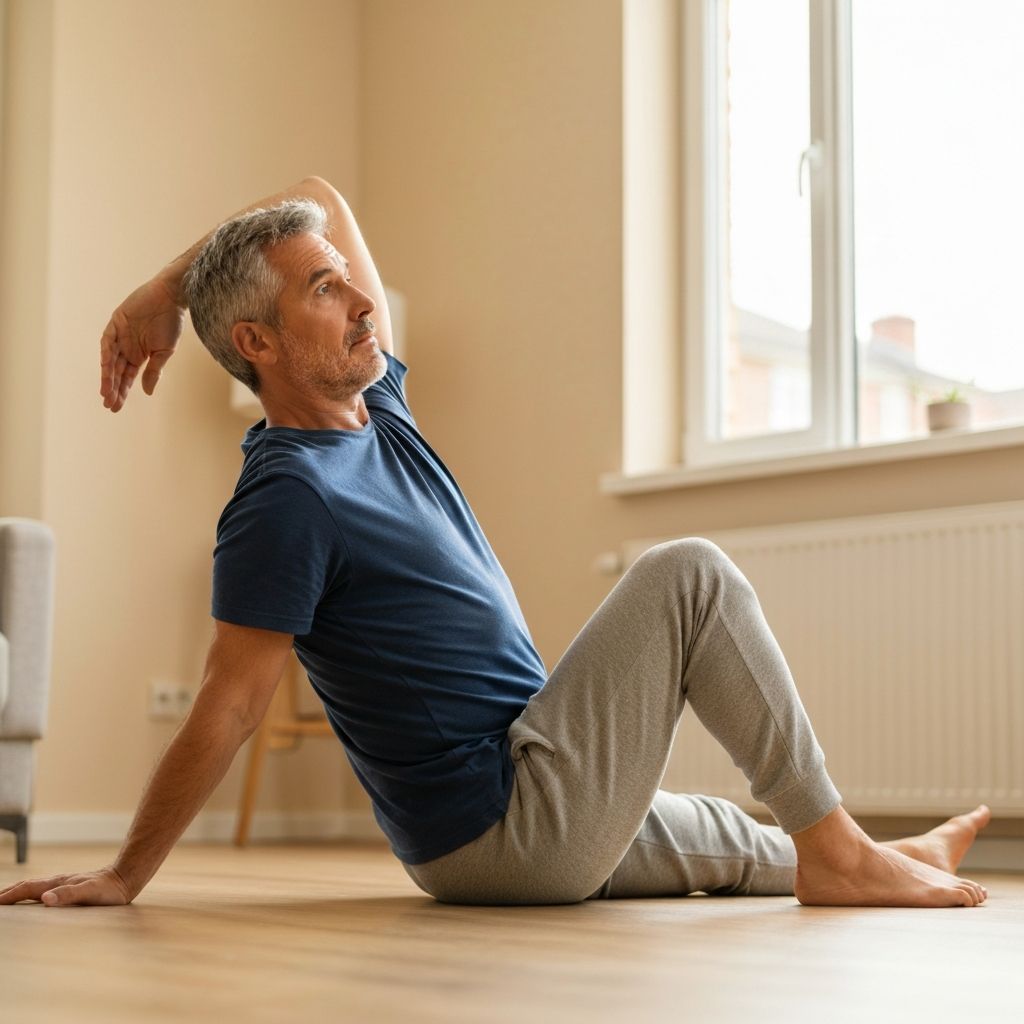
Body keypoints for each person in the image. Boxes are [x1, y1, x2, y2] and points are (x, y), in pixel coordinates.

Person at [0, 177, 991, 910]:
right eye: (322, 292)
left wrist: (163, 288)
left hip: (530, 782)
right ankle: (846, 855)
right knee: (687, 577)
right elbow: (230, 700)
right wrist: (127, 872)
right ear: (256, 343)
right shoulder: (285, 497)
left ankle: (881, 851)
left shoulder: (376, 410)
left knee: (718, 833)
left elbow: (315, 191)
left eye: (347, 282)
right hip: (499, 828)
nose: (362, 304)